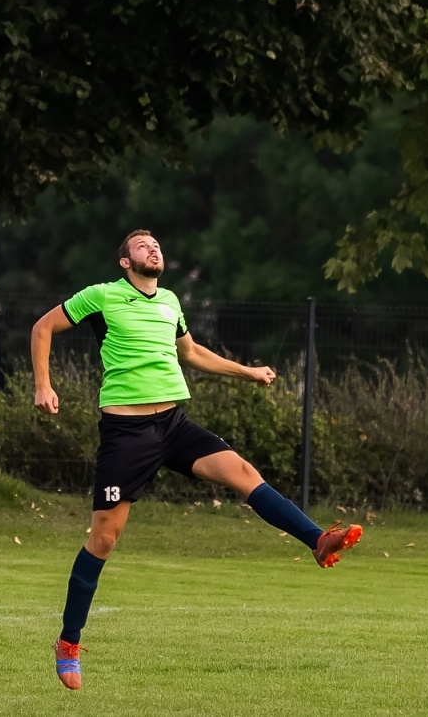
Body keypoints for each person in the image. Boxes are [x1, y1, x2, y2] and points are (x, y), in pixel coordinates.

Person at [31, 229, 363, 691]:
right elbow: (42, 328)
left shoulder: (169, 301)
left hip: (172, 425)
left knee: (244, 473)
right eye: (143, 246)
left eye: (158, 245)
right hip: (126, 435)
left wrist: (246, 372)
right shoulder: (102, 296)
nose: (154, 249)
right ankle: (68, 642)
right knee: (104, 539)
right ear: (125, 262)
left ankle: (317, 540)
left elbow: (191, 353)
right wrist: (43, 385)